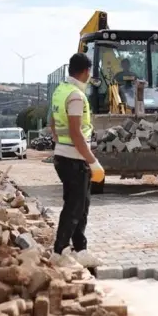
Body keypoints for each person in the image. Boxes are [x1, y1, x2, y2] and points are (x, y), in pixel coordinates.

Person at [48, 53, 105, 268]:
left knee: (81, 205)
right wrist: (92, 161)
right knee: (74, 206)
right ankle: (60, 251)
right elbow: (76, 132)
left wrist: (58, 143)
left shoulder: (60, 91)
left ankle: (80, 249)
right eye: (89, 72)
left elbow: (52, 123)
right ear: (85, 72)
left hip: (64, 156)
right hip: (74, 159)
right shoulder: (75, 96)